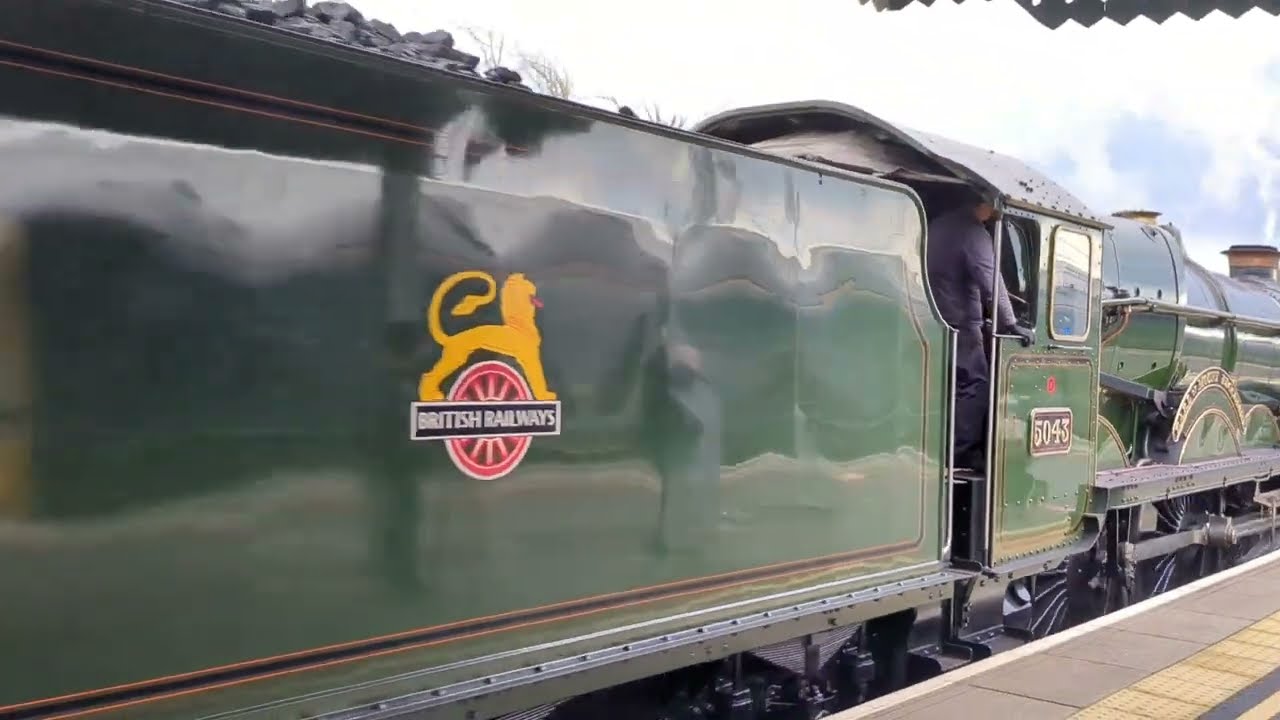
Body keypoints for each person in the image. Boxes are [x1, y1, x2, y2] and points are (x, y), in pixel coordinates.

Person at [926, 190, 1033, 472]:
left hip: (933, 322)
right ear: (987, 203)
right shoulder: (973, 233)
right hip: (962, 326)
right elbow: (991, 281)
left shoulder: (937, 225)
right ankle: (961, 454)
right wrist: (1010, 323)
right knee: (977, 386)